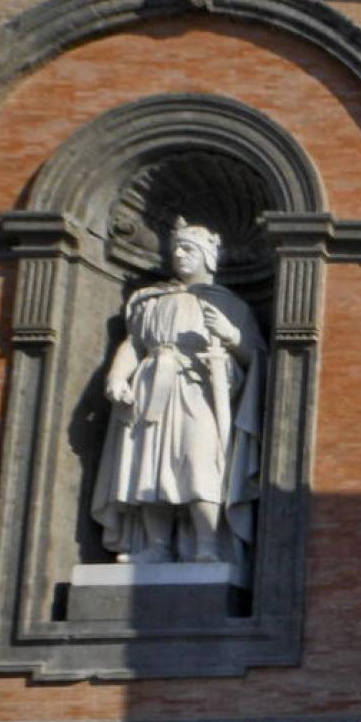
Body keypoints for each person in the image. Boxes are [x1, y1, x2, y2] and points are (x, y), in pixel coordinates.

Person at [91, 217, 263, 565]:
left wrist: (231, 336)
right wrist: (117, 377)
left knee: (201, 464)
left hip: (198, 390)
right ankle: (156, 546)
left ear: (207, 256)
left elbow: (256, 356)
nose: (180, 255)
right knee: (149, 468)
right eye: (176, 249)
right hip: (151, 387)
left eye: (188, 249)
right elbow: (134, 344)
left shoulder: (230, 304)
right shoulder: (150, 301)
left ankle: (208, 546)